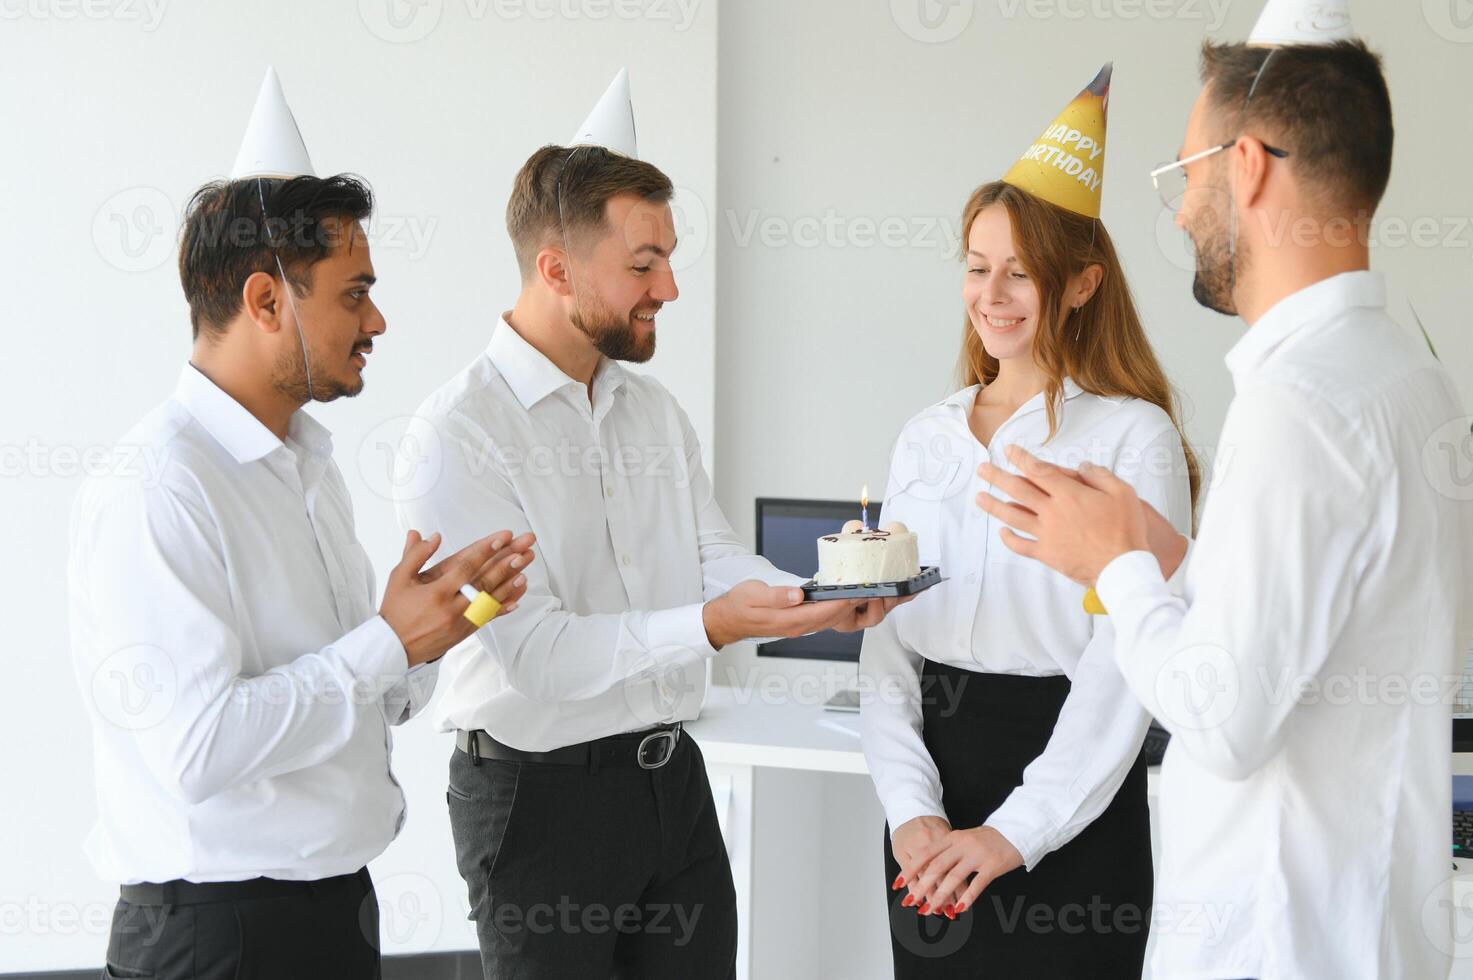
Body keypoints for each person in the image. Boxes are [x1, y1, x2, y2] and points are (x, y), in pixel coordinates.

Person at [975, 3, 1473, 977]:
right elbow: (1317, 628)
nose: (1178, 211)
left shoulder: (1298, 404)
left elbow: (1226, 718)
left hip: (1275, 940)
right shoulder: (1412, 381)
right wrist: (1173, 557)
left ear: (1246, 167)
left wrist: (1115, 567)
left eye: (1185, 174)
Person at [396, 69, 904, 979]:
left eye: (668, 257)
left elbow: (707, 554)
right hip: (535, 804)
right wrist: (713, 627)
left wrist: (808, 600)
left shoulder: (653, 411)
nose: (669, 286)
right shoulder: (458, 435)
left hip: (672, 785)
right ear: (555, 268)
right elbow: (542, 656)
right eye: (642, 264)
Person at [70, 68, 533, 980]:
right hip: (221, 940)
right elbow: (199, 749)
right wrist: (385, 643)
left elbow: (369, 698)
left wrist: (440, 627)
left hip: (333, 916)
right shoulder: (160, 486)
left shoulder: (309, 469)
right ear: (266, 299)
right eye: (354, 293)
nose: (378, 320)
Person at [862, 64, 1197, 978]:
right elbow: (886, 643)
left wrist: (1015, 832)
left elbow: (1124, 667)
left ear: (1081, 284)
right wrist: (909, 810)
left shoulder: (1132, 438)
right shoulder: (922, 437)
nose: (993, 294)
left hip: (1071, 799)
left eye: (1023, 272)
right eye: (977, 268)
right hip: (928, 792)